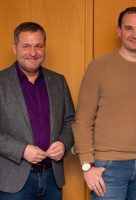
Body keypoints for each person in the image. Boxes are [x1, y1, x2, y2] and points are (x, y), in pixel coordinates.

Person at [72, 7, 136, 200]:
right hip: (108, 167)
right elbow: (82, 121)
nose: (135, 35)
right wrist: (87, 166)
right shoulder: (99, 67)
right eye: (129, 28)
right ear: (119, 31)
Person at [0, 22, 74, 200]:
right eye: (26, 46)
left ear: (44, 47)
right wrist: (21, 150)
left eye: (38, 46)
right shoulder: (1, 82)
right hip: (13, 182)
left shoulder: (58, 81)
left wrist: (64, 143)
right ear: (14, 48)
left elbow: (70, 120)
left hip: (52, 178)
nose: (33, 53)